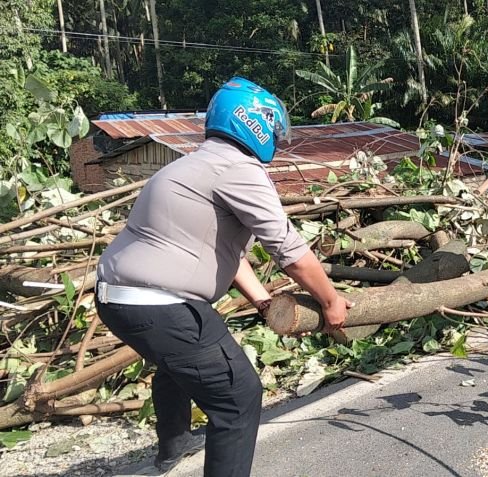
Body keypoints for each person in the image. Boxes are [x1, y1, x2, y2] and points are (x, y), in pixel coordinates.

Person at [95, 77, 351, 477]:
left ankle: (173, 447)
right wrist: (332, 300)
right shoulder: (238, 168)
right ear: (253, 124)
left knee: (177, 364)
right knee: (239, 397)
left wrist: (263, 301)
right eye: (274, 128)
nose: (277, 140)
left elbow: (226, 255)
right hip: (160, 304)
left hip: (117, 299)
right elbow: (289, 250)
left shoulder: (193, 164)